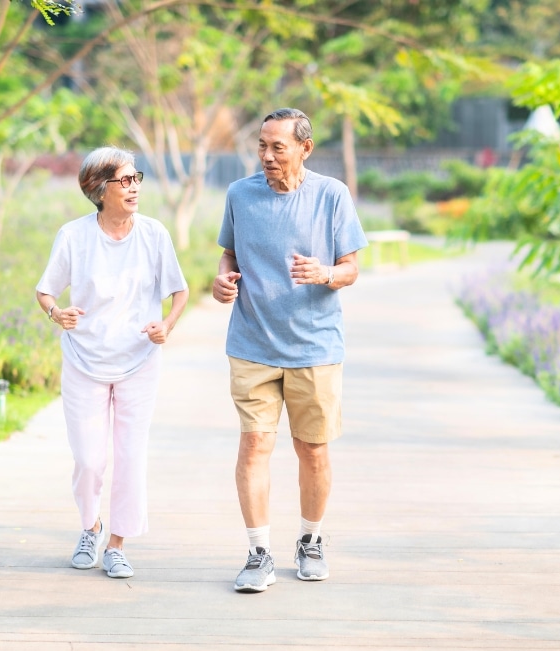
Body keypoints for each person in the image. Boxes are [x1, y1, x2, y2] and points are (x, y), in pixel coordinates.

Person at [212, 108, 368, 593]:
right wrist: (222, 282)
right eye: (262, 145)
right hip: (252, 343)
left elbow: (351, 268)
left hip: (315, 346)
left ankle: (311, 540)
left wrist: (324, 274)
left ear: (305, 147)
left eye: (278, 147)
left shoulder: (331, 195)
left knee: (313, 450)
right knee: (255, 444)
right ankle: (259, 553)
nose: (267, 156)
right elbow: (229, 254)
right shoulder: (240, 194)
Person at [36, 146, 188, 579]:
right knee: (88, 459)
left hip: (139, 361)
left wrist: (167, 326)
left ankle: (117, 544)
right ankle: (91, 527)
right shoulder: (73, 236)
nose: (134, 187)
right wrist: (56, 313)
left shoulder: (155, 234)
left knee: (130, 456)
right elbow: (46, 290)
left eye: (136, 178)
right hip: (85, 360)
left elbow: (179, 291)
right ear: (99, 190)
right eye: (125, 180)